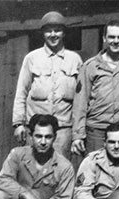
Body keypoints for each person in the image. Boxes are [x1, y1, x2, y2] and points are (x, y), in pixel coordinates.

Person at [12, 11, 82, 160]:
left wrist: (78, 134)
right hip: (36, 129)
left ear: (64, 33)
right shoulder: (32, 58)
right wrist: (18, 124)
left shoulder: (74, 59)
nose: (53, 34)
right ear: (43, 33)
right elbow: (21, 93)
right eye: (48, 31)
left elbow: (80, 101)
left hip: (63, 131)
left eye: (57, 30)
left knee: (59, 171)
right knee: (32, 171)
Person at [72, 21, 119, 156]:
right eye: (111, 37)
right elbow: (80, 102)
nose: (116, 41)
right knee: (96, 171)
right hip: (97, 131)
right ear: (104, 38)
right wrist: (78, 135)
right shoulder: (90, 66)